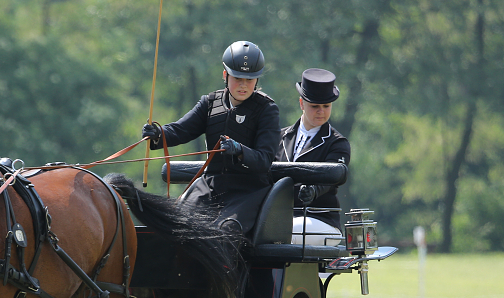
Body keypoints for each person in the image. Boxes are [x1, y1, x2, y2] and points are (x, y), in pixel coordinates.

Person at [141, 41, 281, 239]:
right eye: (238, 78)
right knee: (177, 223)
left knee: (225, 231)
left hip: (249, 191)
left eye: (249, 80)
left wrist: (240, 150)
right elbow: (181, 130)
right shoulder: (209, 103)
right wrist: (158, 134)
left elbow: (265, 159)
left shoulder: (267, 110)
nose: (243, 85)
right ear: (225, 75)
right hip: (211, 185)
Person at [276, 68, 350, 245]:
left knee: (282, 233)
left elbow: (333, 174)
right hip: (279, 218)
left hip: (321, 220)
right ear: (302, 103)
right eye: (315, 106)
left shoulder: (337, 143)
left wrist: (314, 190)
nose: (321, 111)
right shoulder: (278, 137)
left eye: (326, 106)